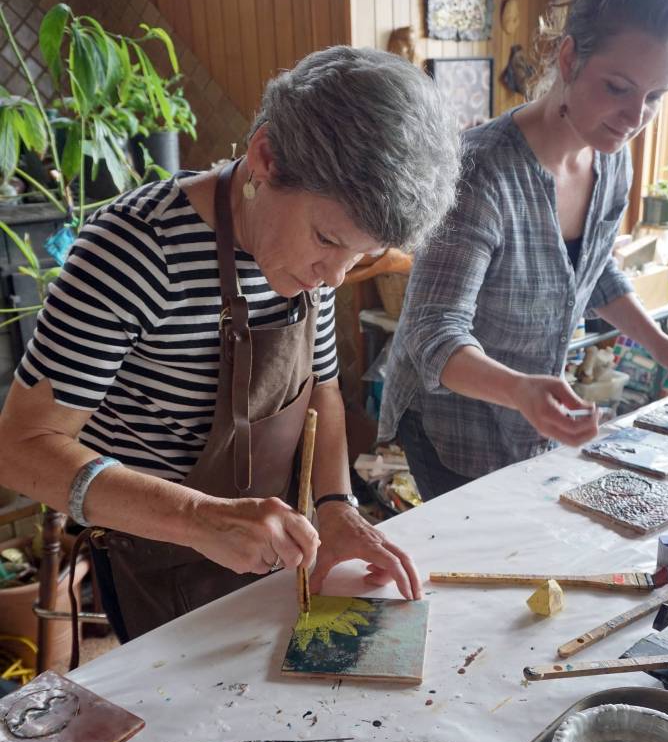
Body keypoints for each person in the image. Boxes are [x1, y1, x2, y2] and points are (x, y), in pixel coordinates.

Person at [0, 46, 460, 639]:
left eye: (360, 255)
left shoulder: (307, 262)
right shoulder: (132, 251)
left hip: (276, 549)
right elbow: (21, 447)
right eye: (326, 239)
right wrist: (201, 519)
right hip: (158, 562)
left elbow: (322, 392)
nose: (335, 277)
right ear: (266, 157)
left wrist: (336, 504)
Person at [379, 0, 668, 501]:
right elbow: (430, 334)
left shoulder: (612, 154)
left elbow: (594, 272)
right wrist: (521, 391)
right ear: (568, 60)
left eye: (656, 98)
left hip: (527, 413)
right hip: (452, 421)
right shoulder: (480, 171)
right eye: (617, 88)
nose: (634, 118)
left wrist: (663, 346)